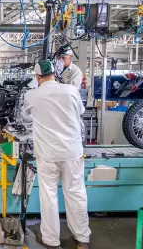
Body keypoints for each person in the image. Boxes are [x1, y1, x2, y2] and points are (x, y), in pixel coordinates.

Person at [24, 60, 91, 249]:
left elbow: (25, 116)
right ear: (55, 74)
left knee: (49, 197)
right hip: (72, 152)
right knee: (76, 194)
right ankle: (82, 238)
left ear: (38, 77)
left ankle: (51, 240)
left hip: (47, 154)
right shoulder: (71, 91)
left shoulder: (32, 95)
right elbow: (79, 112)